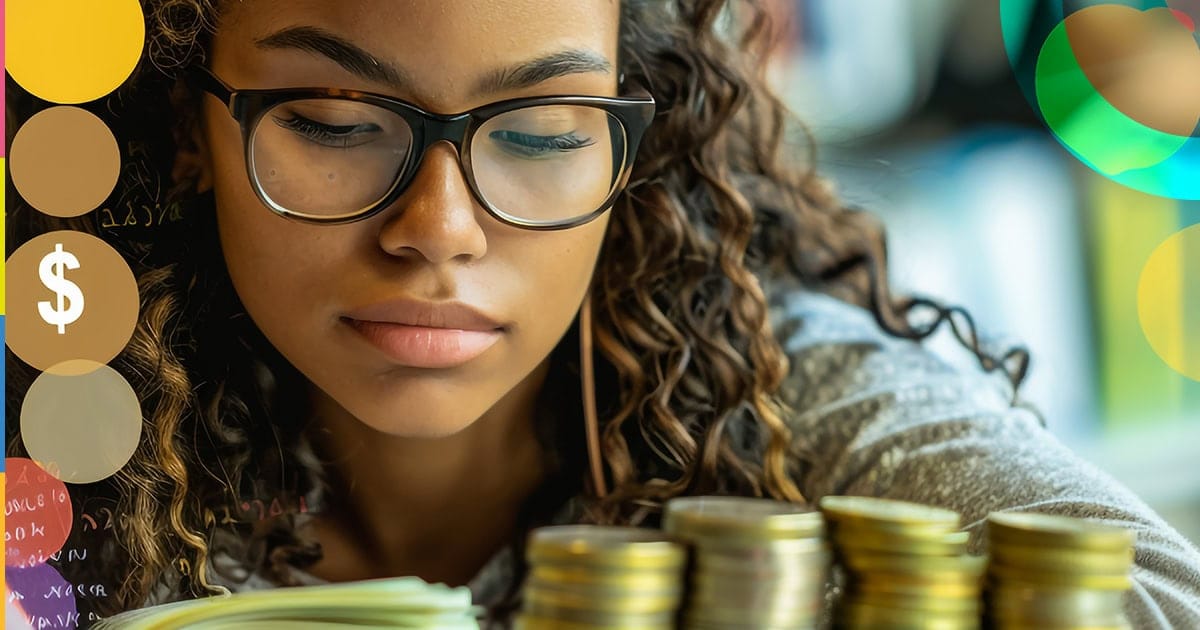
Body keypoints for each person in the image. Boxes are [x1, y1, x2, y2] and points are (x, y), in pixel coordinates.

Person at [5, 0, 1199, 628]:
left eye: (537, 136)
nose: (440, 226)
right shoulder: (55, 427)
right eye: (331, 119)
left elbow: (1151, 595)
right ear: (185, 128)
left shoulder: (781, 386)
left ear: (638, 148)